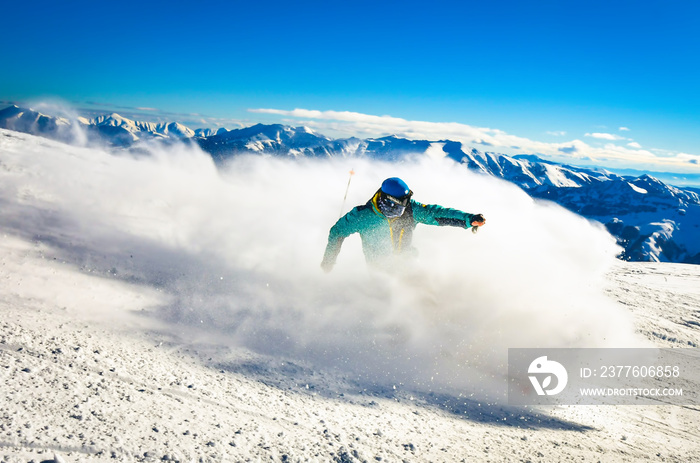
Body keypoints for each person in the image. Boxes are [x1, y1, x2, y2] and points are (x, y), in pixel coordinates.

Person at [321, 177, 485, 272]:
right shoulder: (363, 216)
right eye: (397, 207)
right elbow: (337, 232)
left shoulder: (410, 209)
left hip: (408, 266)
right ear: (386, 201)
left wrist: (468, 219)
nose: (401, 211)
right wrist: (329, 261)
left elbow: (437, 213)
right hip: (379, 272)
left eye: (404, 205)